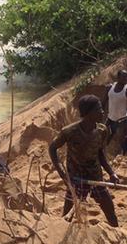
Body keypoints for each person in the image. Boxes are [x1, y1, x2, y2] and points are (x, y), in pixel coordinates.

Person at [48, 95, 120, 227]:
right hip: (76, 177)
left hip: (95, 176)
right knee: (68, 213)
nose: (103, 112)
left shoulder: (102, 130)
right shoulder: (69, 132)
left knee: (109, 208)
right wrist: (62, 173)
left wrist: (111, 173)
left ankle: (118, 234)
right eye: (99, 109)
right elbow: (52, 148)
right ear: (88, 113)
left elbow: (101, 154)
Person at [102, 70, 127, 149]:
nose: (126, 78)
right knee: (103, 138)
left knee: (121, 142)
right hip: (110, 119)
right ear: (118, 77)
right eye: (124, 76)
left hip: (122, 121)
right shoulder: (109, 88)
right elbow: (103, 103)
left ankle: (121, 158)